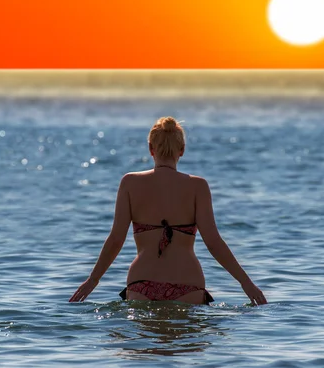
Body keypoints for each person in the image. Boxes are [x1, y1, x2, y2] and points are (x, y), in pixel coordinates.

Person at [69, 116, 267, 306]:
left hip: (141, 284)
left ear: (150, 149)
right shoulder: (198, 187)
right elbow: (214, 243)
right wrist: (246, 283)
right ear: (182, 150)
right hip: (188, 286)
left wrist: (93, 280)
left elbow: (115, 240)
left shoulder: (129, 183)